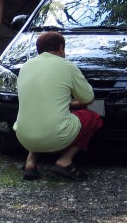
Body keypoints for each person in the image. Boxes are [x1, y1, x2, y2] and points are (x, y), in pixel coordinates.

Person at [13, 32, 102, 181]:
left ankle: (30, 162)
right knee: (94, 117)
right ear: (61, 48)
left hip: (23, 136)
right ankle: (65, 160)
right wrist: (74, 104)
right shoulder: (66, 66)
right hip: (55, 136)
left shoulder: (25, 66)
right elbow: (88, 97)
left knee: (37, 115)